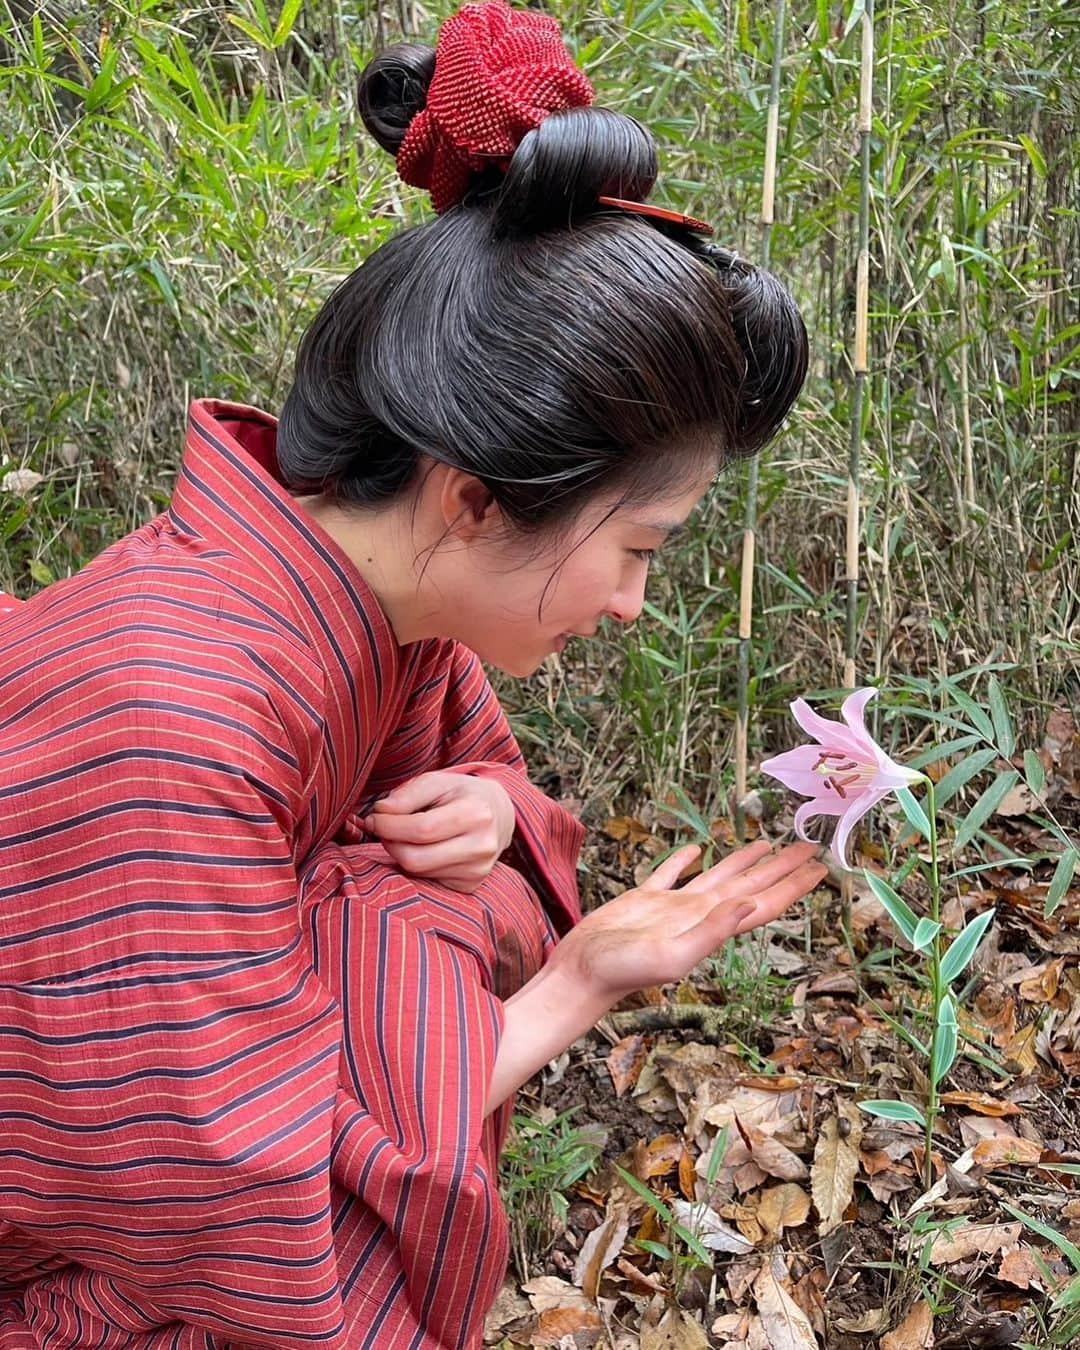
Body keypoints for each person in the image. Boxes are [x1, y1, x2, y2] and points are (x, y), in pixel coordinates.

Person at [0, 3, 824, 1346]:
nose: (632, 602)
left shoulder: (386, 615)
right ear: (476, 500)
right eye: (636, 546)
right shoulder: (178, 725)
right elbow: (257, 1222)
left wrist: (501, 833)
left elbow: (489, 809)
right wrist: (564, 981)